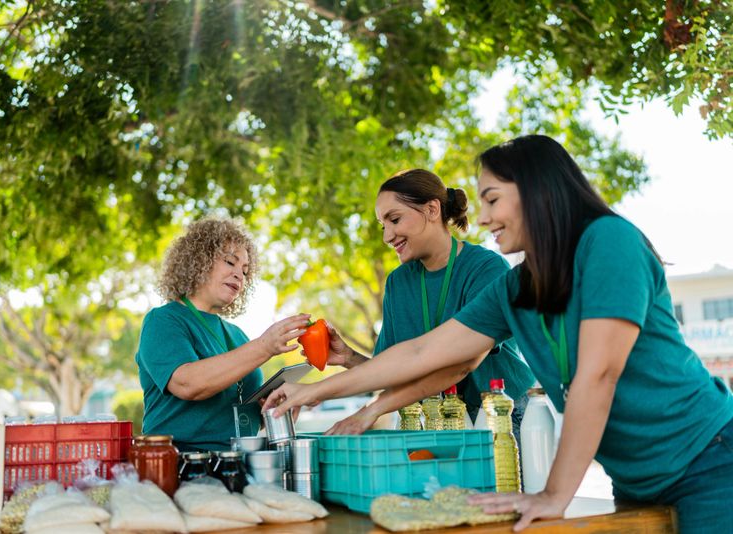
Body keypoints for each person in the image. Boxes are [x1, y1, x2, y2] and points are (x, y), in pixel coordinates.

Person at [265, 135, 733, 533]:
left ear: (536, 191)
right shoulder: (514, 287)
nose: (483, 217)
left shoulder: (608, 241)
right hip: (635, 475)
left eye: (492, 199)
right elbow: (426, 352)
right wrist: (316, 391)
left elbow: (599, 375)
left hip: (708, 459)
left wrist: (553, 495)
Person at [321, 169, 534, 437]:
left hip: (501, 416)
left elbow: (459, 364)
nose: (387, 236)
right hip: (436, 420)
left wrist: (369, 410)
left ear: (432, 209)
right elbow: (397, 373)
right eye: (382, 225)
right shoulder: (397, 283)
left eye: (394, 219)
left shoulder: (487, 269)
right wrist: (349, 358)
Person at [136, 218, 309, 452]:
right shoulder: (163, 321)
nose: (239, 275)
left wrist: (272, 409)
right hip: (182, 464)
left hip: (239, 462)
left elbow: (240, 416)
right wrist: (265, 346)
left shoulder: (237, 335)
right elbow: (188, 384)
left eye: (245, 271)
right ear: (198, 261)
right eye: (230, 262)